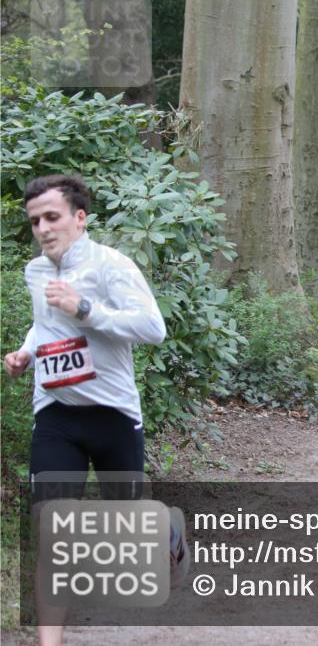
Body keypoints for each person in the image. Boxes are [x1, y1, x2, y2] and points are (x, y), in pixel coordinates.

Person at [3, 174, 183, 646]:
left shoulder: (111, 266)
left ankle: (165, 530)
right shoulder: (35, 271)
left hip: (113, 414)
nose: (42, 228)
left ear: (79, 218)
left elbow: (152, 328)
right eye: (35, 220)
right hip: (57, 414)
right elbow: (44, 325)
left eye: (52, 217)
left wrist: (86, 308)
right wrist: (27, 353)